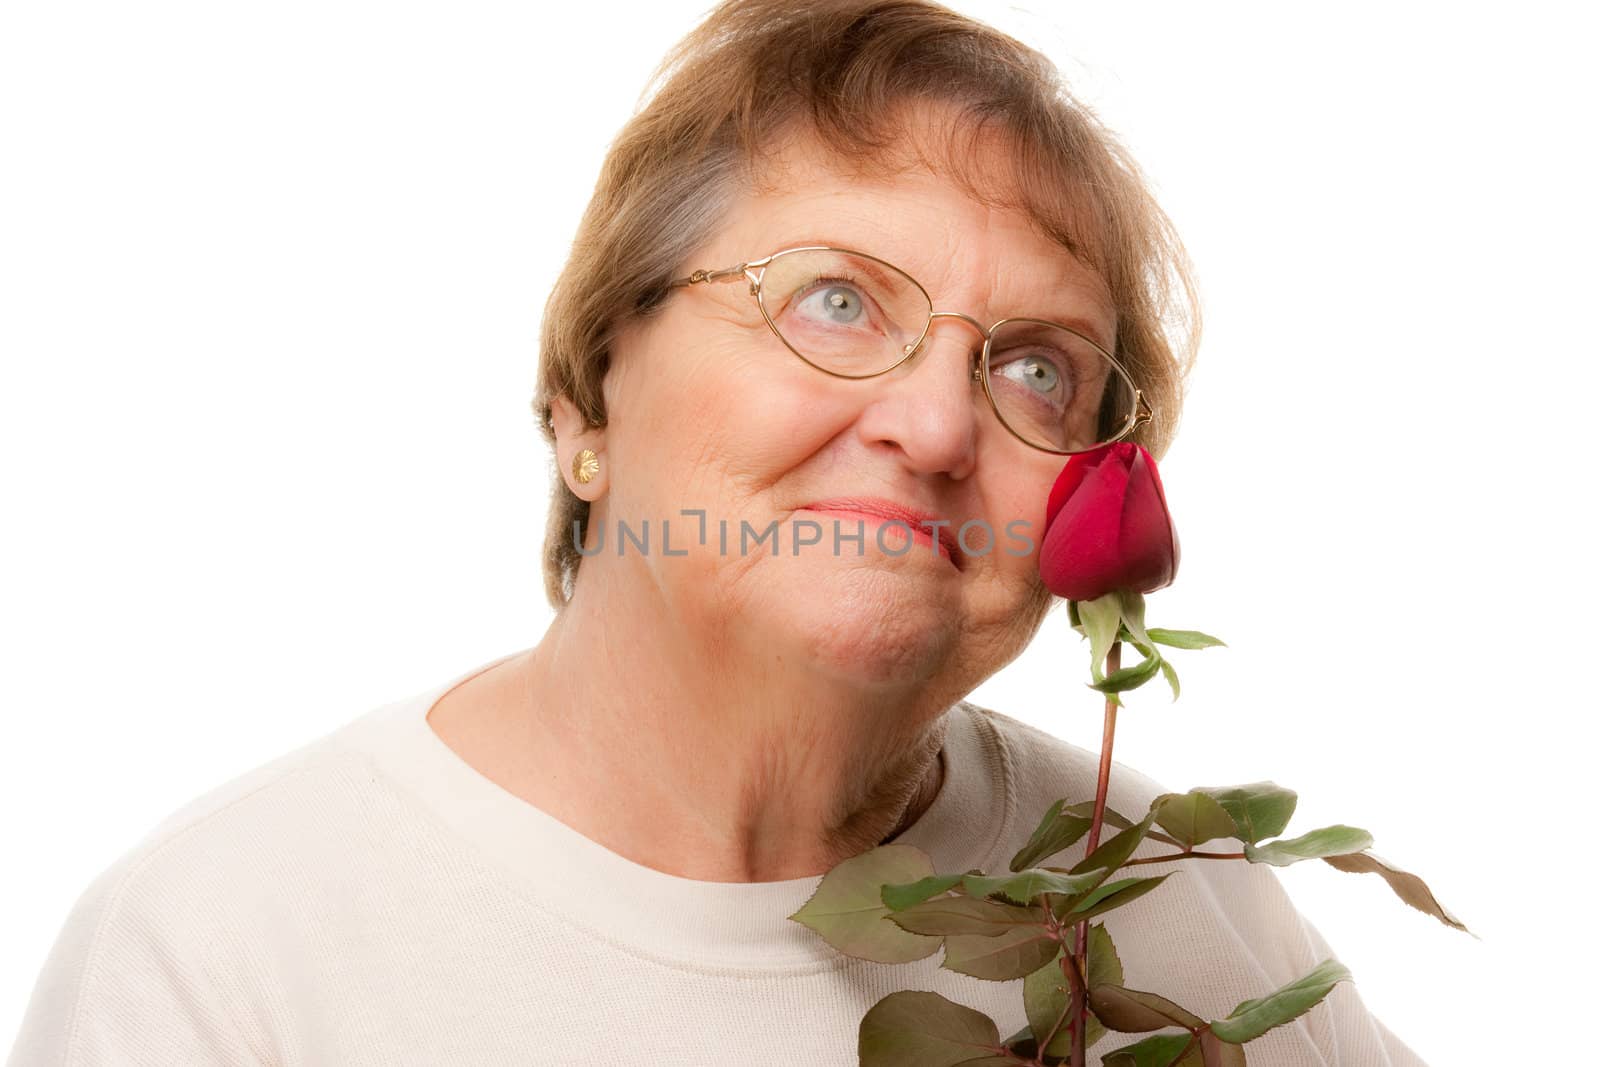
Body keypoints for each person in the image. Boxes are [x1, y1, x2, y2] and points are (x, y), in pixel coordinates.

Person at [8, 1, 1428, 1063]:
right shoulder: (218, 955)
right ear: (585, 405)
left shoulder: (1195, 915)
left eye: (1035, 368)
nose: (936, 431)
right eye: (835, 300)